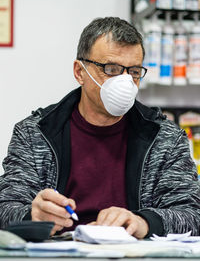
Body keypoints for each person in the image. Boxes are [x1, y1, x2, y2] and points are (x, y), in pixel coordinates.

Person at [0, 17, 200, 239]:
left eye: (133, 72)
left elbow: (191, 214)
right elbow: (6, 209)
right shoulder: (34, 134)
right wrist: (32, 216)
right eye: (111, 69)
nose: (125, 82)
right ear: (79, 72)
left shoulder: (165, 138)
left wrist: (143, 222)